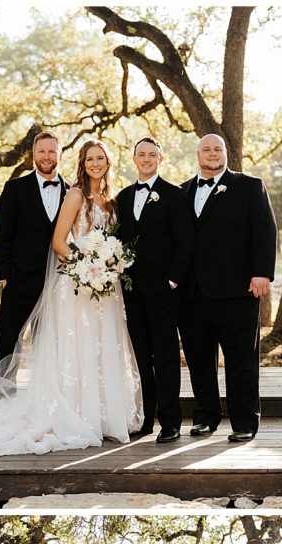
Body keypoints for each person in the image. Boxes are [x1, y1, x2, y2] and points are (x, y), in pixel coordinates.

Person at [0, 139, 143, 457]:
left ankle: (102, 415)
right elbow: (24, 235)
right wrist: (83, 268)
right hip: (52, 279)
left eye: (100, 158)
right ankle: (10, 406)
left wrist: (107, 266)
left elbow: (115, 239)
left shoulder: (112, 199)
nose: (95, 163)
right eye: (89, 159)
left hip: (99, 289)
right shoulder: (56, 192)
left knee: (93, 348)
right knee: (17, 343)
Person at [180, 133, 277, 442]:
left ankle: (245, 422)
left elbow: (265, 230)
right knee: (199, 360)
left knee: (241, 360)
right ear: (197, 155)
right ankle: (205, 417)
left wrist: (262, 273)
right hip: (192, 294)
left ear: (226, 153)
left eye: (217, 148)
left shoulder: (249, 186)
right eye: (206, 149)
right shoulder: (181, 191)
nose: (212, 153)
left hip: (238, 290)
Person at [116, 136, 195, 442]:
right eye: (141, 155)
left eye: (152, 155)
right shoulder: (122, 198)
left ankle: (171, 422)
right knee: (139, 355)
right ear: (134, 159)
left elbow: (186, 243)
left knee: (164, 356)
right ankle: (145, 419)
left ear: (161, 160)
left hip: (163, 291)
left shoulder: (174, 195)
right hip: (131, 290)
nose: (146, 159)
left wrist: (172, 280)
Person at [0, 130, 68, 364]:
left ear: (60, 154)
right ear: (33, 154)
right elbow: (2, 233)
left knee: (50, 344)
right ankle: (4, 397)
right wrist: (3, 274)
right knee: (9, 342)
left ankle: (47, 396)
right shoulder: (15, 188)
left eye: (51, 151)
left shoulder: (73, 191)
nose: (46, 156)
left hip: (57, 282)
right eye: (41, 151)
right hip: (19, 279)